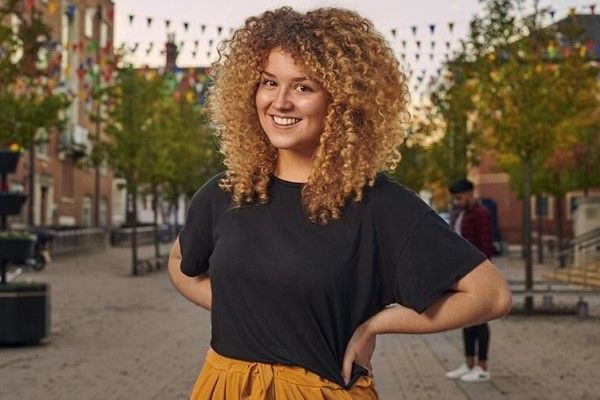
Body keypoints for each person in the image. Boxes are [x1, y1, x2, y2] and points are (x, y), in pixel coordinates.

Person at [167, 7, 512, 399]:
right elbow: (180, 263)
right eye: (268, 82)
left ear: (343, 101)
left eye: (303, 87)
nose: (280, 102)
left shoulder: (380, 205)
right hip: (225, 386)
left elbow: (491, 295)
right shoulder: (225, 193)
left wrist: (379, 323)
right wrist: (245, 308)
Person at [445, 178, 496, 383]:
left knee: (480, 320)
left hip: (477, 274)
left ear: (470, 193)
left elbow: (486, 246)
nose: (457, 201)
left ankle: (482, 367)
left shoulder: (481, 214)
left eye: (459, 197)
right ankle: (468, 364)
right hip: (463, 273)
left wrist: (483, 275)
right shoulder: (462, 213)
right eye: (455, 198)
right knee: (467, 320)